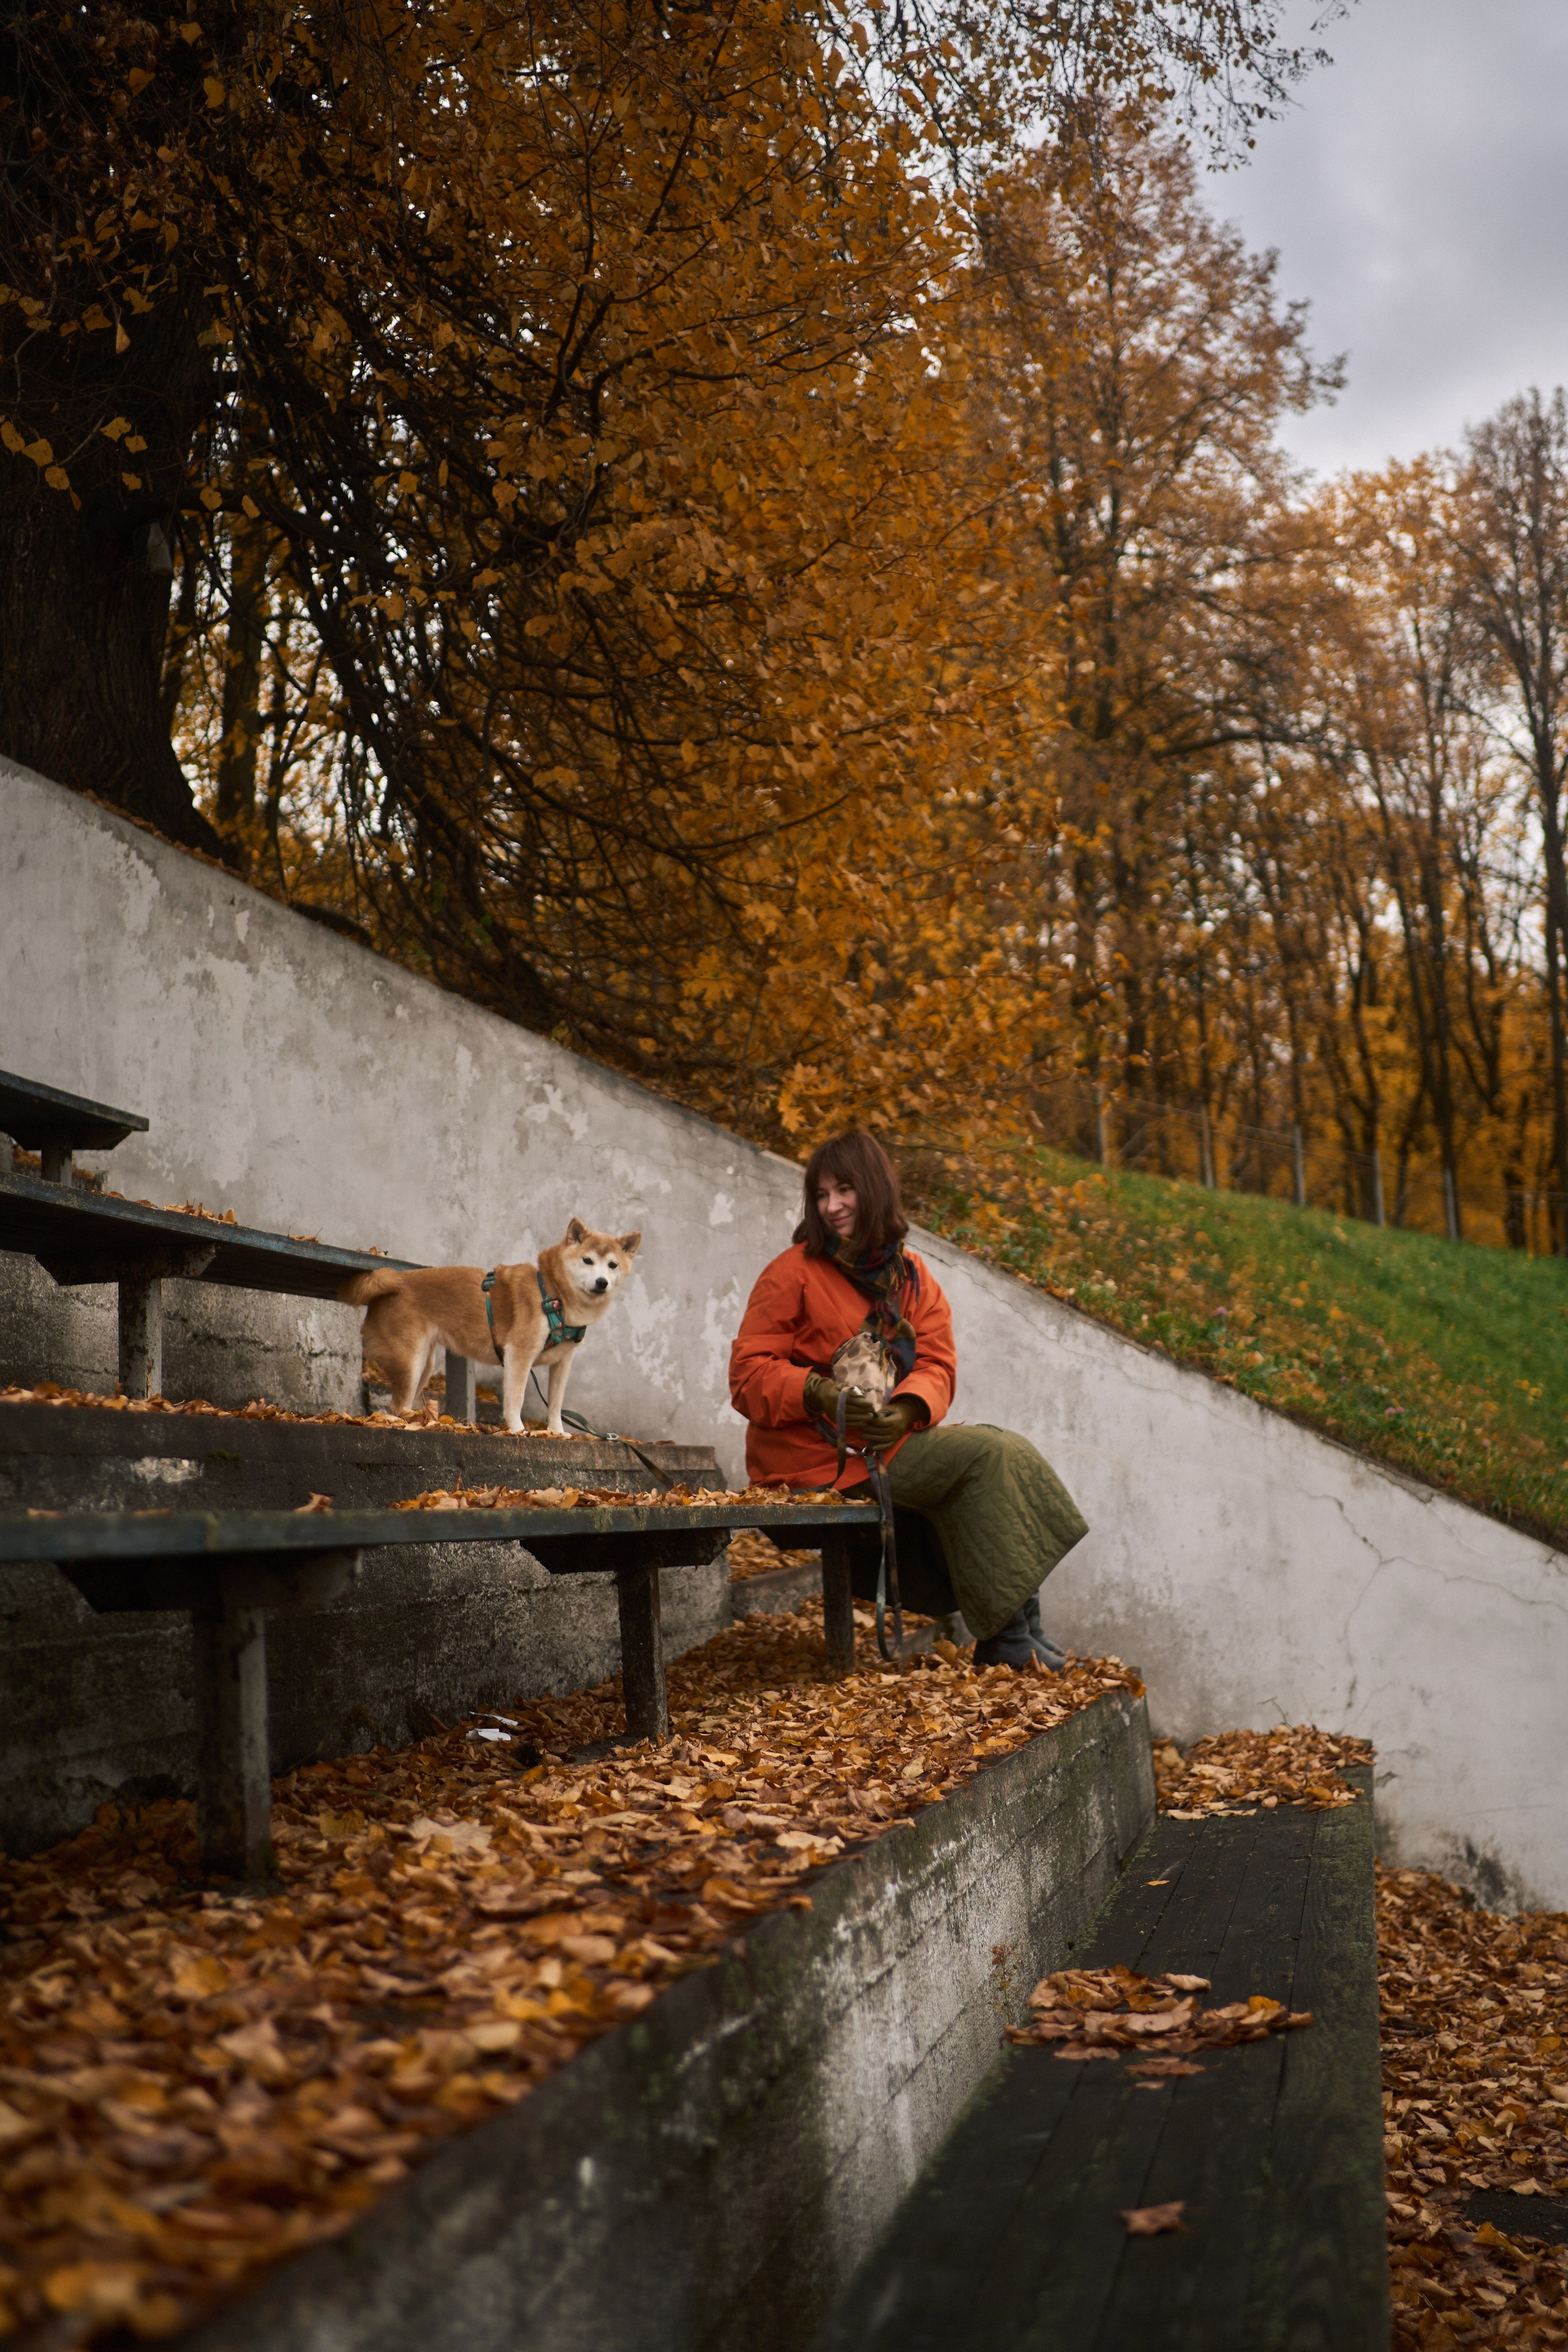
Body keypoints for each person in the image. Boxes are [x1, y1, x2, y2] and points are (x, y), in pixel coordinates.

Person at [728, 1128, 1088, 1669]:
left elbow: (939, 1364)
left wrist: (906, 1411)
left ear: (872, 1189)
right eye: (821, 1195)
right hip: (814, 1461)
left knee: (1001, 1451)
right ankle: (1009, 1638)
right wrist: (817, 1392)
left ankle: (1022, 1631)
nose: (831, 1207)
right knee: (989, 1456)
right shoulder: (792, 1272)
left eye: (843, 1190)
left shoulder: (913, 1278)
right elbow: (747, 1373)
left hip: (883, 1446)